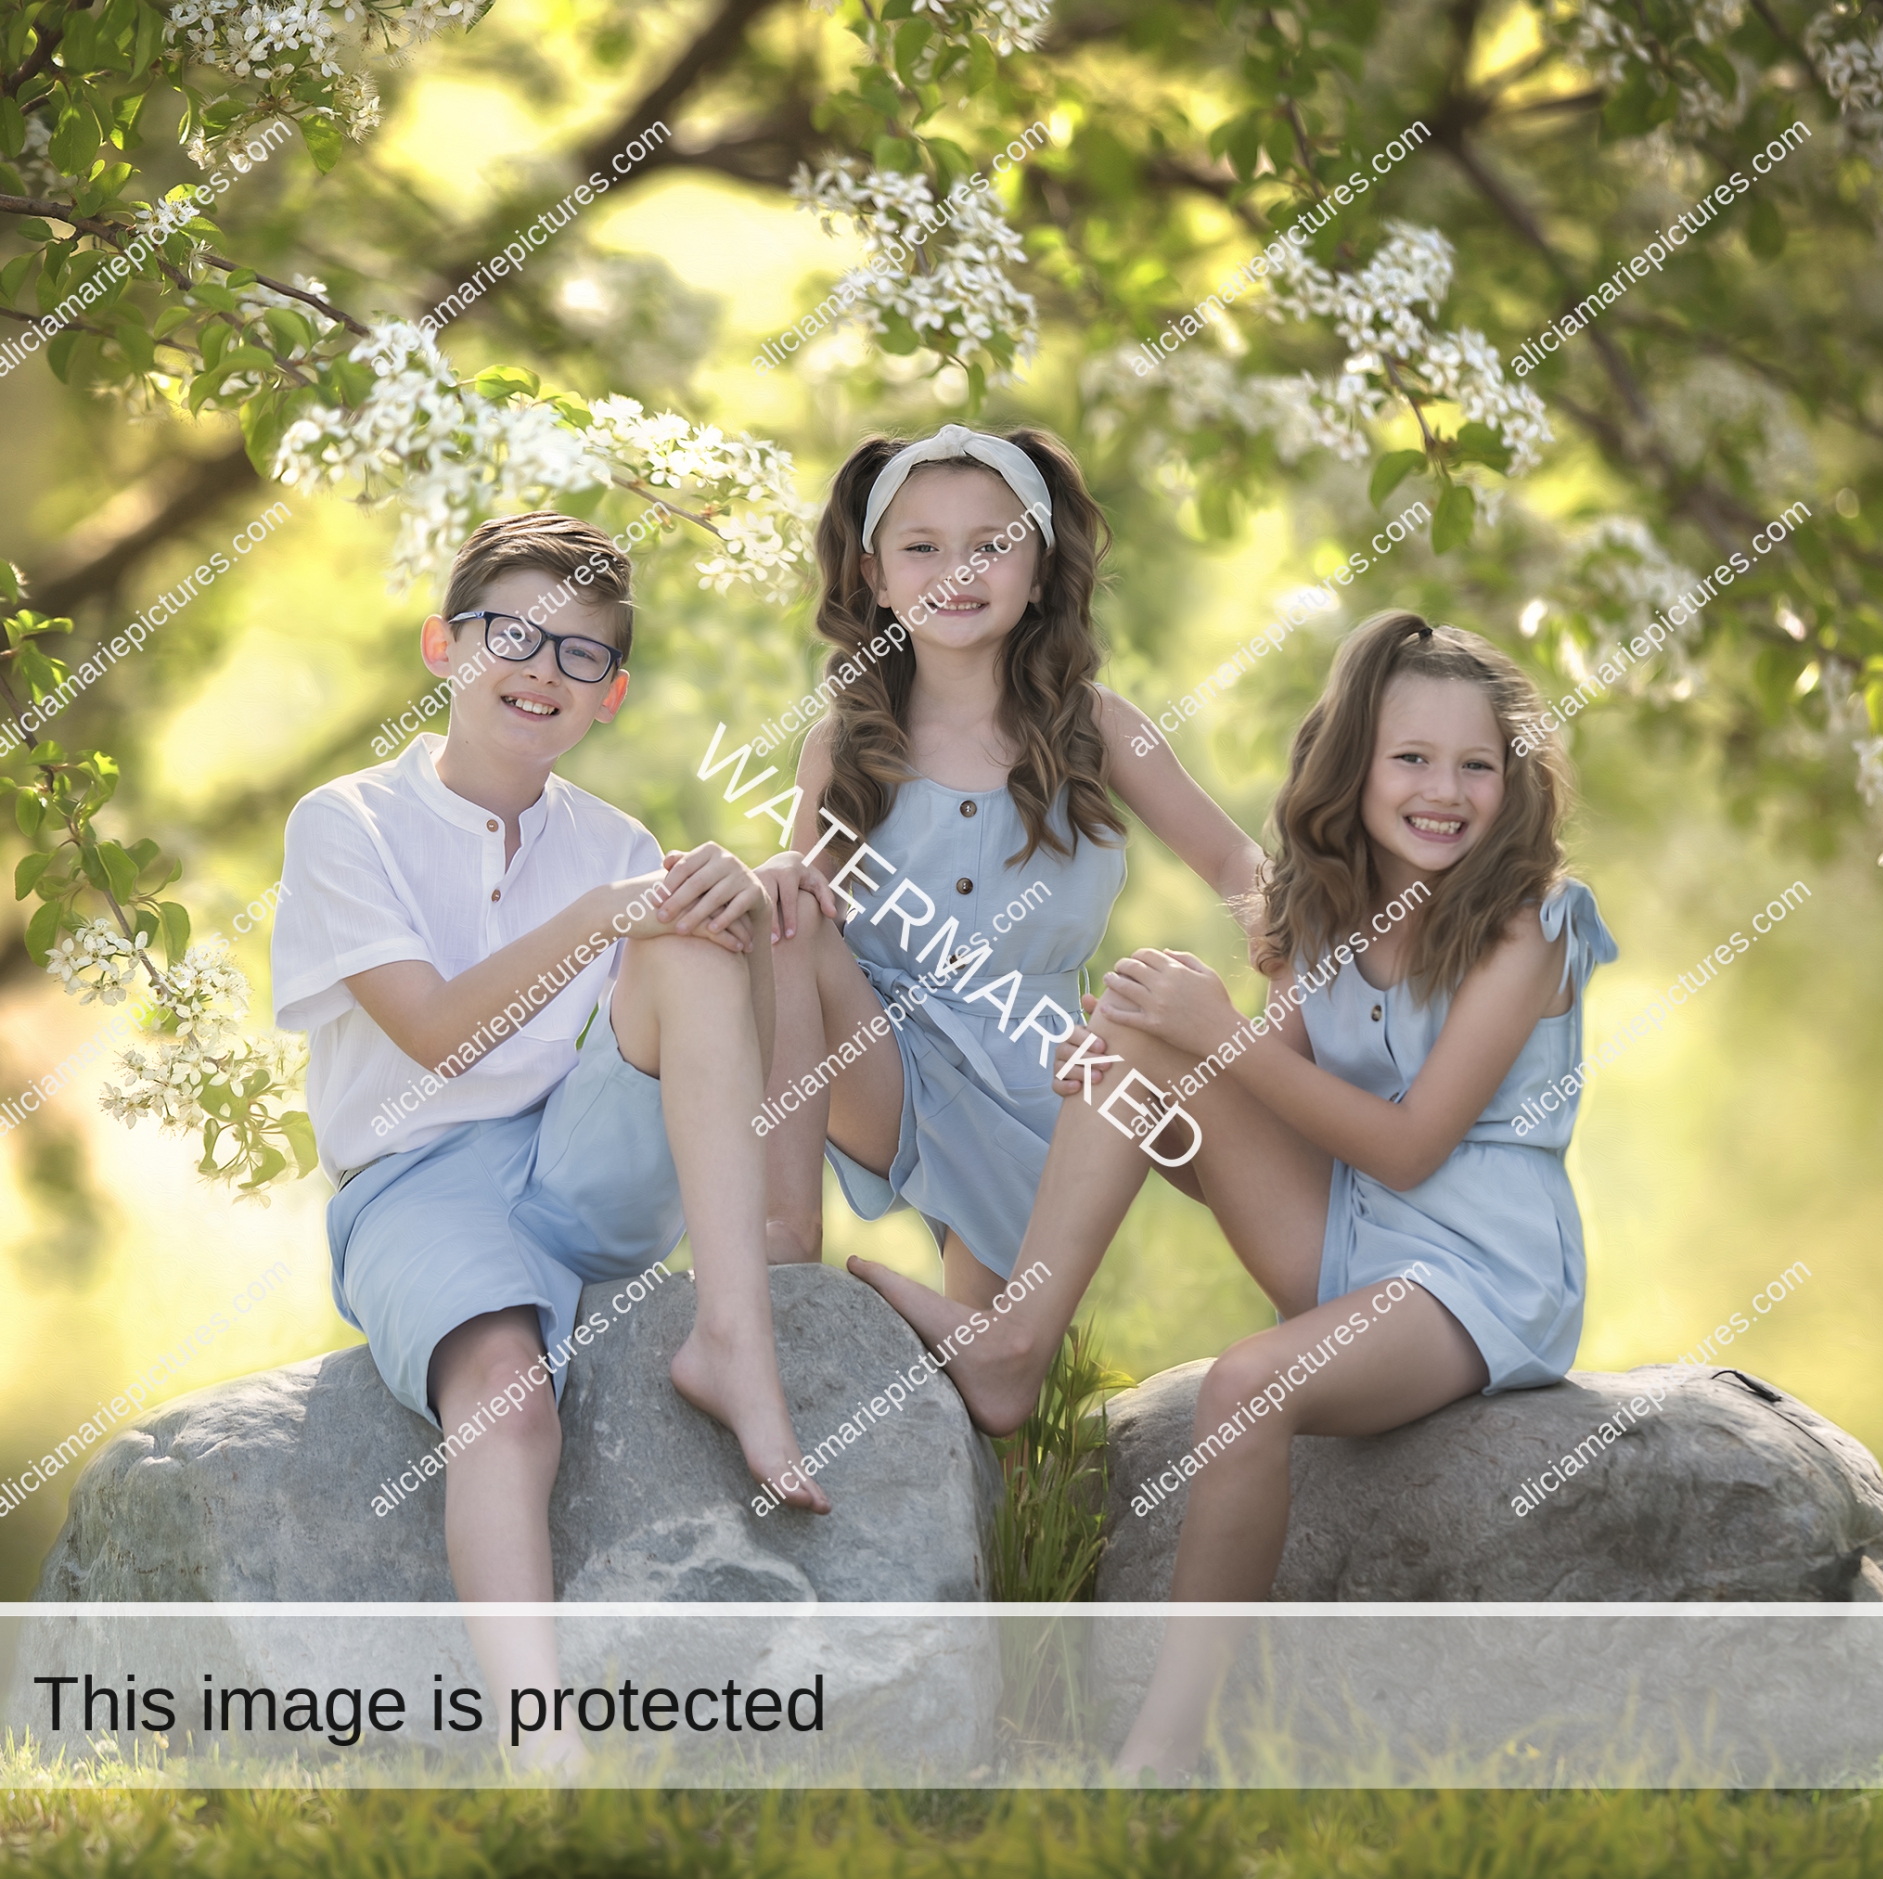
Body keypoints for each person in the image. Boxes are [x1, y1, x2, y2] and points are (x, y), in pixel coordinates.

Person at [851, 610, 1613, 1775]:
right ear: (1351, 764)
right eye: (1410, 758)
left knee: (1250, 1387)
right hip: (1349, 1233)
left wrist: (1217, 1040)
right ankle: (1012, 1347)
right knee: (1130, 1025)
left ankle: (1166, 1749)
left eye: (1478, 764)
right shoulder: (1325, 914)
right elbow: (1266, 1121)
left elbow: (1406, 1147)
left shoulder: (1528, 928)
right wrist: (1137, 1095)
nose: (1444, 790)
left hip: (1474, 1276)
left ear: (1516, 780)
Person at [270, 511, 829, 1766]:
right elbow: (435, 1036)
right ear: (442, 646)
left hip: (578, 1162)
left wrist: (729, 912)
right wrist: (598, 918)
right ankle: (542, 1743)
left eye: (581, 655)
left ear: (611, 698)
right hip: (416, 1183)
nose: (541, 669)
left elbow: (676, 1045)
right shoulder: (343, 822)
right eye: (510, 635)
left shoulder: (615, 843)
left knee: (695, 922)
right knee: (508, 1408)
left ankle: (732, 1339)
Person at [752, 422, 1264, 1308]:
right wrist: (774, 883)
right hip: (889, 1060)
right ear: (874, 578)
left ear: (1038, 571)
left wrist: (1290, 949)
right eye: (922, 548)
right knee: (785, 920)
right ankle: (784, 1242)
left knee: (996, 1380)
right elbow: (806, 905)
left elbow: (1230, 857)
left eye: (992, 546)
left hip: (1040, 1076)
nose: (958, 571)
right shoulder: (846, 744)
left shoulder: (1096, 725)